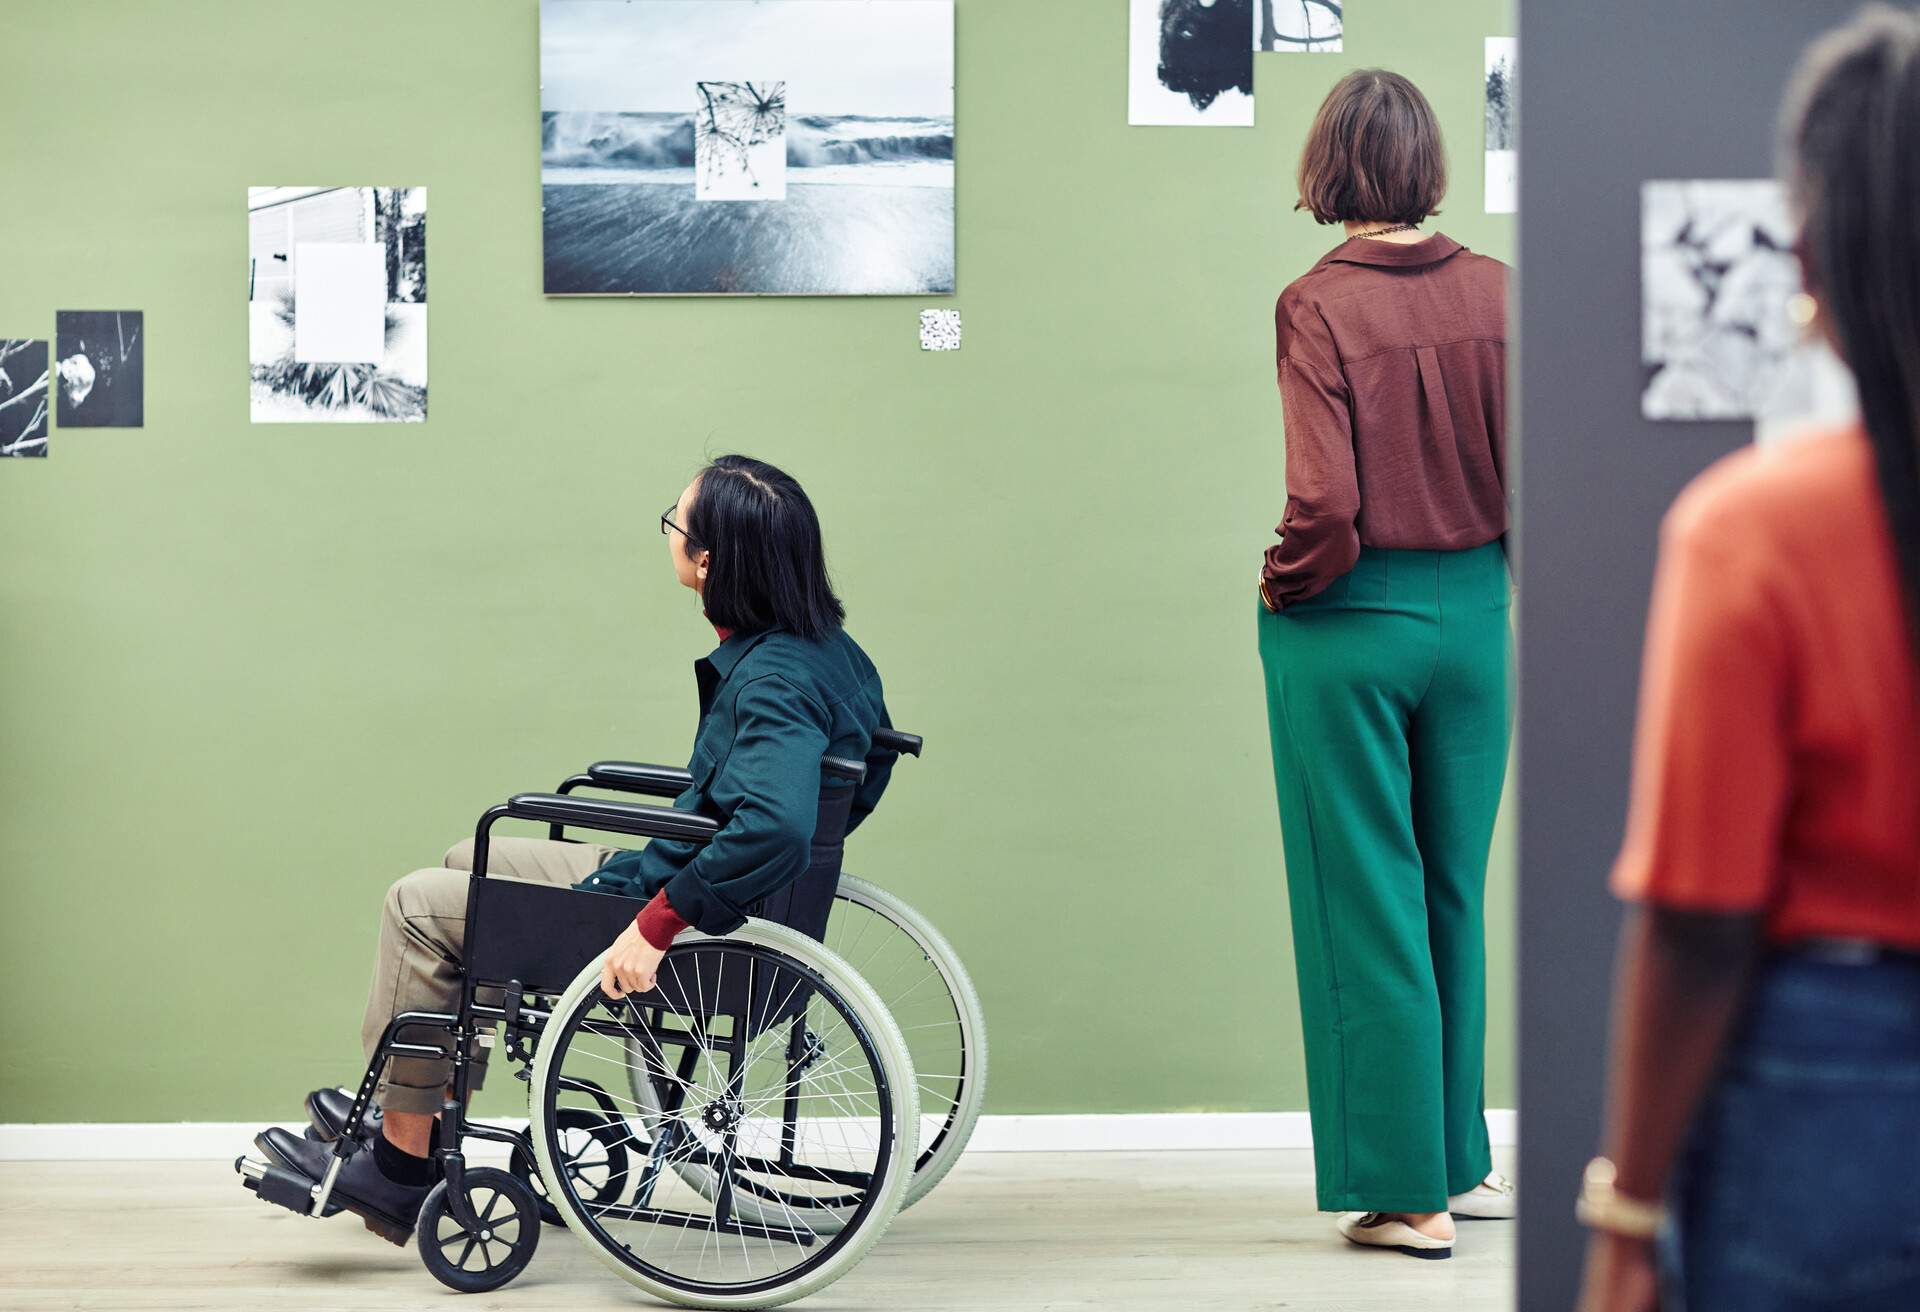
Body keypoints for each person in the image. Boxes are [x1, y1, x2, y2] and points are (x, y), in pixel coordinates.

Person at [252, 454, 894, 1244]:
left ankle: (398, 1162)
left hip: (679, 918)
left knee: (417, 908)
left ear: (708, 561)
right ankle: (411, 1101)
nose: (670, 535)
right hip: (687, 878)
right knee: (465, 861)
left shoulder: (773, 680)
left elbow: (776, 827)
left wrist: (660, 922)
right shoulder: (831, 650)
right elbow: (867, 767)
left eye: (677, 524)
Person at [1576, 10, 1920, 1311]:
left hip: (1837, 1092)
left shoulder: (1753, 530)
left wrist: (1625, 1221)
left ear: (1815, 250)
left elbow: (1699, 919)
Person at [1255, 68, 1515, 1260]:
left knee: (1367, 901)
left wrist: (1287, 581)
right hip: (1479, 618)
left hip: (1354, 619)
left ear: (1330, 170)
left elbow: (1324, 502)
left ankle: (1410, 1195)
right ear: (1428, 167)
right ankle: (1458, 1157)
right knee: (1451, 889)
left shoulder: (1317, 305)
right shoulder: (1504, 294)